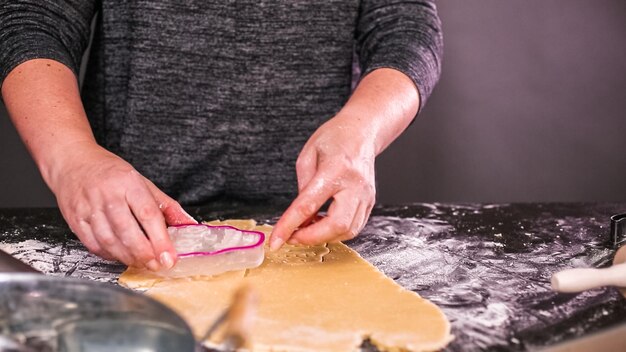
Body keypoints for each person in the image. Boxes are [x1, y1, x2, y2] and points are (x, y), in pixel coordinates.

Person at [0, 1, 442, 272]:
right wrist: (72, 158)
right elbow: (34, 18)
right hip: (128, 223)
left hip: (304, 225)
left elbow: (405, 27)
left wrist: (362, 131)